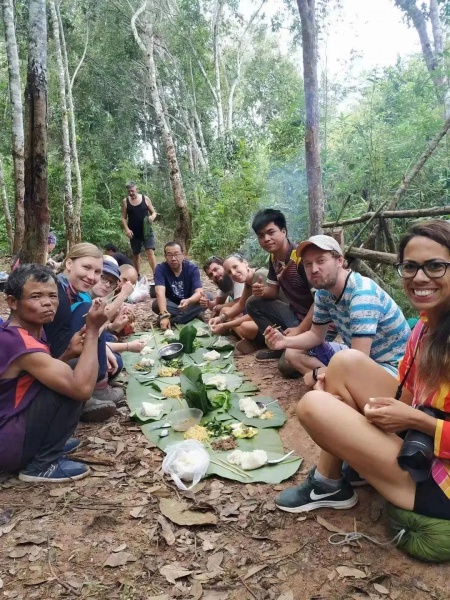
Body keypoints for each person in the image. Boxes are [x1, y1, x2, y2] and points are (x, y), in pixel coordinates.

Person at [274, 220, 450, 518]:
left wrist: (418, 422)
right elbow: (406, 395)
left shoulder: (362, 295)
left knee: (315, 405)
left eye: (435, 266)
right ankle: (333, 479)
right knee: (342, 365)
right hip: (419, 438)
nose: (419, 277)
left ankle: (331, 480)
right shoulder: (423, 327)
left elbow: (409, 409)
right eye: (410, 267)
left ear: (339, 261)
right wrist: (342, 395)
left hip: (438, 480)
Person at [0, 264, 108, 482]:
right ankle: (42, 463)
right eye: (36, 296)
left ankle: (45, 441)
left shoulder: (25, 332)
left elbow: (33, 379)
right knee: (75, 381)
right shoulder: (17, 342)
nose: (47, 302)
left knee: (73, 364)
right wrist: (93, 331)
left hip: (10, 427)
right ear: (13, 302)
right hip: (8, 444)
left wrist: (67, 353)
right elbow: (83, 389)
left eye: (52, 295)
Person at [265, 235, 410, 387]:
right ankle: (333, 387)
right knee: (292, 353)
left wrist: (317, 373)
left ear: (339, 261)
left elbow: (357, 361)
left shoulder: (362, 295)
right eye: (308, 264)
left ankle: (335, 388)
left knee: (343, 382)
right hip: (359, 358)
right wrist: (283, 341)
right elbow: (315, 335)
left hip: (393, 368)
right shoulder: (323, 292)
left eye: (321, 261)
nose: (314, 269)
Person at [44, 243, 121, 423]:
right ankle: (87, 393)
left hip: (66, 351)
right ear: (69, 264)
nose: (91, 277)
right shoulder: (57, 295)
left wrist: (104, 348)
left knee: (116, 360)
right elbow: (56, 347)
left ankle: (96, 387)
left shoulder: (78, 293)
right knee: (88, 311)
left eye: (96, 272)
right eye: (86, 267)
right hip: (50, 358)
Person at [246, 209, 315, 367]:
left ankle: (293, 344)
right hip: (295, 314)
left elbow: (320, 301)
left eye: (271, 232)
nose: (266, 239)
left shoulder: (299, 258)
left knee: (287, 367)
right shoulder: (274, 257)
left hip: (316, 321)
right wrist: (261, 291)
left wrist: (299, 329)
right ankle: (278, 345)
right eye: (261, 235)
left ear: (283, 231)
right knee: (253, 303)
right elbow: (272, 292)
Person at [208, 254, 266, 353]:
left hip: (276, 323)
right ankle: (249, 341)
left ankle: (256, 343)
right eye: (229, 272)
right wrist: (220, 318)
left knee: (245, 326)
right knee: (226, 312)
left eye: (235, 267)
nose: (234, 273)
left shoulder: (259, 276)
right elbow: (240, 305)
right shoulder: (248, 282)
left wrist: (224, 325)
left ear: (245, 263)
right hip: (260, 319)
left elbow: (255, 315)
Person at [153, 242, 208, 330]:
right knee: (156, 304)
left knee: (208, 297)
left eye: (176, 254)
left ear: (183, 255)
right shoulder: (160, 269)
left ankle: (174, 320)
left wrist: (188, 301)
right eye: (169, 255)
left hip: (189, 303)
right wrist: (164, 314)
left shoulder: (192, 268)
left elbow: (199, 292)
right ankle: (193, 315)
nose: (173, 258)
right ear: (165, 256)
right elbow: (160, 293)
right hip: (171, 304)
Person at [121, 182, 157, 277]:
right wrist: (127, 230)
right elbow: (123, 218)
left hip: (146, 231)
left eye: (132, 191)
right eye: (129, 191)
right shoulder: (125, 201)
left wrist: (152, 217)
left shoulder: (145, 199)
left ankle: (156, 274)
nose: (131, 193)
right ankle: (137, 276)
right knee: (136, 254)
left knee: (150, 251)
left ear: (137, 189)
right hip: (134, 232)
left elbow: (154, 212)